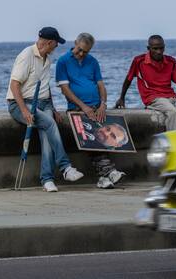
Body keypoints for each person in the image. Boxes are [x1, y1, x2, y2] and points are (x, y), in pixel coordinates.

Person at [6, 27, 84, 192]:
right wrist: (25, 111)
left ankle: (47, 179)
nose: (56, 47)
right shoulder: (26, 55)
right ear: (49, 42)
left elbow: (44, 87)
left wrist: (53, 107)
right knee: (49, 124)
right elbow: (14, 85)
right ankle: (65, 167)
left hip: (43, 103)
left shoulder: (46, 59)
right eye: (56, 44)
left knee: (47, 136)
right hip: (21, 103)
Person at [56, 33, 124, 189]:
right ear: (75, 43)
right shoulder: (63, 61)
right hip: (77, 109)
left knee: (103, 139)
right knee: (93, 137)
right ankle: (110, 172)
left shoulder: (92, 61)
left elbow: (100, 85)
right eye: (79, 50)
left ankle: (104, 177)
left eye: (85, 52)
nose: (81, 54)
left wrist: (103, 104)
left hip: (95, 107)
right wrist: (84, 107)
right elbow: (65, 90)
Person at [115, 35, 176, 131]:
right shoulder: (139, 61)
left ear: (164, 47)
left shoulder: (171, 61)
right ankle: (171, 143)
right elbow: (128, 80)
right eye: (155, 49)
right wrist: (122, 98)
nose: (159, 51)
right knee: (172, 112)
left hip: (171, 96)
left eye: (161, 48)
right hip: (152, 97)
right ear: (148, 48)